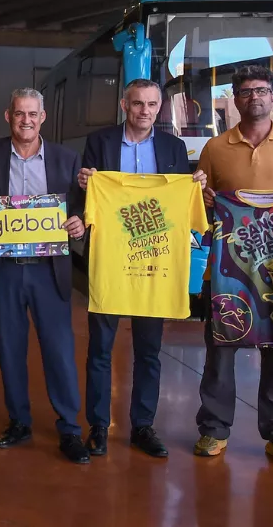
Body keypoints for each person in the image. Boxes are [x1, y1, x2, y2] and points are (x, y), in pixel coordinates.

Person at [195, 65, 273, 467]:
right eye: (247, 91)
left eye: (262, 90)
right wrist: (206, 199)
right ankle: (214, 430)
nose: (255, 97)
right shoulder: (216, 148)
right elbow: (199, 202)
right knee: (221, 348)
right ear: (235, 99)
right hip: (230, 268)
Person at [76, 78, 205, 458]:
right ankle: (99, 426)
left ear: (159, 107)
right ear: (124, 105)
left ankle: (143, 426)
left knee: (149, 351)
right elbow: (86, 195)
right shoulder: (99, 143)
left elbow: (181, 202)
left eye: (151, 104)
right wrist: (84, 183)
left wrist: (194, 185)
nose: (144, 111)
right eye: (137, 104)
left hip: (155, 263)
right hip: (110, 261)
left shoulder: (174, 147)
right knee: (100, 349)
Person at [0, 87, 90, 464]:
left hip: (49, 272)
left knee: (59, 351)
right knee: (9, 349)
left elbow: (81, 207)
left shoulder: (67, 159)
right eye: (19, 113)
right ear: (9, 116)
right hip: (4, 271)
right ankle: (19, 421)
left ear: (42, 117)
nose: (26, 120)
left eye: (33, 114)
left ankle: (69, 429)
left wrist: (79, 223)